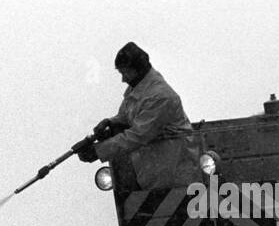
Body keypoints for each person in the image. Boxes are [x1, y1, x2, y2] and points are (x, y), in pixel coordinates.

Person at [79, 42, 200, 190]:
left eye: (125, 73)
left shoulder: (160, 96)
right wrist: (111, 122)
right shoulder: (138, 89)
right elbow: (127, 115)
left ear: (138, 69)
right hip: (157, 173)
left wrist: (99, 151)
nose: (123, 79)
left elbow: (138, 135)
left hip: (177, 175)